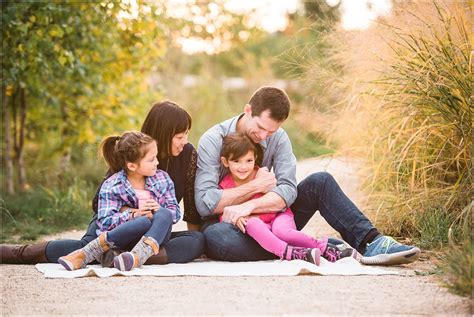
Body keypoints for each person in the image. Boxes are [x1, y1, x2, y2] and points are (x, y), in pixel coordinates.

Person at [195, 86, 421, 266]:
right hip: (232, 227)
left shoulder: (279, 138)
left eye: (270, 132)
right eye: (260, 127)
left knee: (320, 182)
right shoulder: (213, 140)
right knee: (216, 238)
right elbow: (206, 204)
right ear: (247, 111)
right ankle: (305, 249)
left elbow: (288, 190)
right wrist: (255, 188)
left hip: (274, 222)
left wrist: (249, 206)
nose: (263, 137)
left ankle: (373, 242)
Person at [1, 101, 204, 265]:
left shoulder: (187, 154)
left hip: (154, 226)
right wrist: (133, 212)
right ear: (163, 134)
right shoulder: (134, 150)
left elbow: (189, 203)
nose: (185, 140)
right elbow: (100, 203)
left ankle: (121, 256)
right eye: (179, 136)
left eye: (186, 134)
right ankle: (20, 252)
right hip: (118, 222)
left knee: (196, 241)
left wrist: (161, 214)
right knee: (85, 245)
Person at [218, 133, 359, 265]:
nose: (243, 167)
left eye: (248, 160)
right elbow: (223, 213)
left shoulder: (263, 176)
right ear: (225, 162)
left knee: (281, 231)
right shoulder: (225, 187)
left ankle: (325, 248)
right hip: (260, 224)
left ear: (255, 157)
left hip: (279, 215)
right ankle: (292, 253)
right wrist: (236, 218)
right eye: (236, 161)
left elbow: (278, 197)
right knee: (253, 224)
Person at [59, 131, 178, 271]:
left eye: (156, 157)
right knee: (143, 221)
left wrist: (158, 209)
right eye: (151, 159)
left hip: (157, 236)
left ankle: (132, 256)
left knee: (167, 215)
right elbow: (105, 222)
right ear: (132, 166)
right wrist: (133, 215)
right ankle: (92, 254)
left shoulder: (163, 178)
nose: (157, 162)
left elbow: (175, 213)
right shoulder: (113, 185)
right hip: (125, 238)